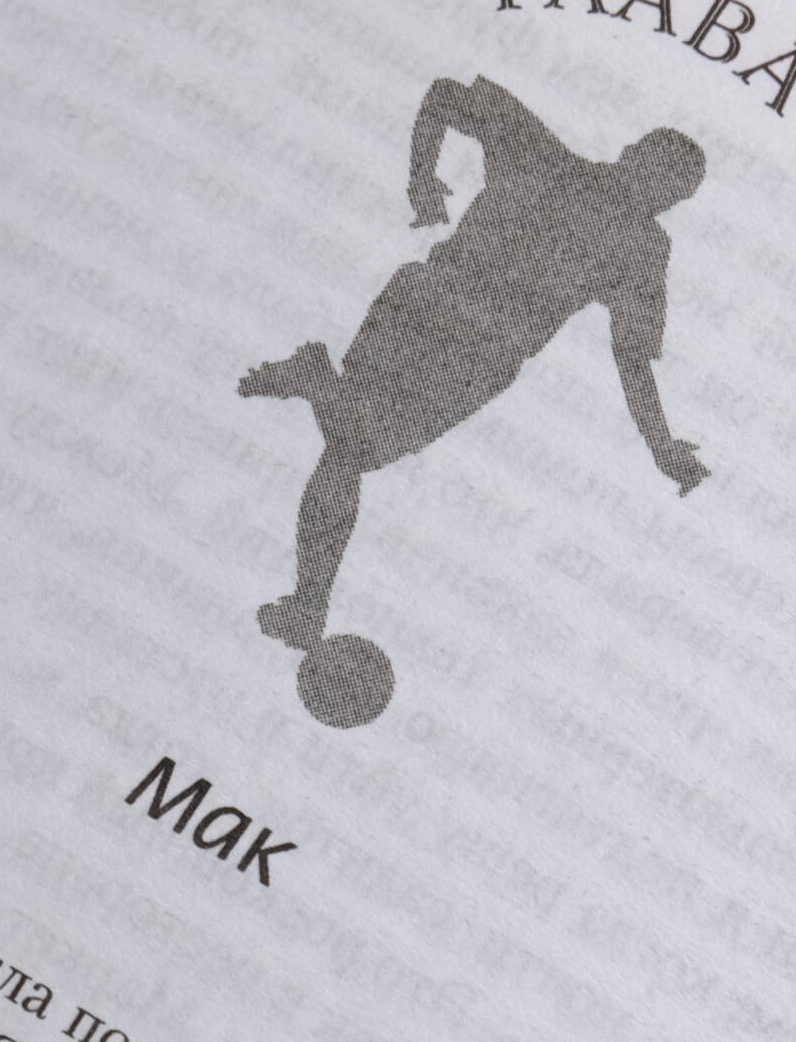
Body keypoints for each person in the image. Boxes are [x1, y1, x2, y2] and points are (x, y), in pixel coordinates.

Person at [241, 75, 708, 655]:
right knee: (354, 448)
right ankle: (315, 381)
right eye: (659, 177)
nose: (657, 195)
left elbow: (633, 359)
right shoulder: (588, 198)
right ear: (633, 155)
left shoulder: (613, 222)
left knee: (348, 451)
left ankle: (307, 607)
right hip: (458, 331)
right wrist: (420, 179)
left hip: (454, 329)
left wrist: (422, 180)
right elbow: (444, 94)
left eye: (670, 192)